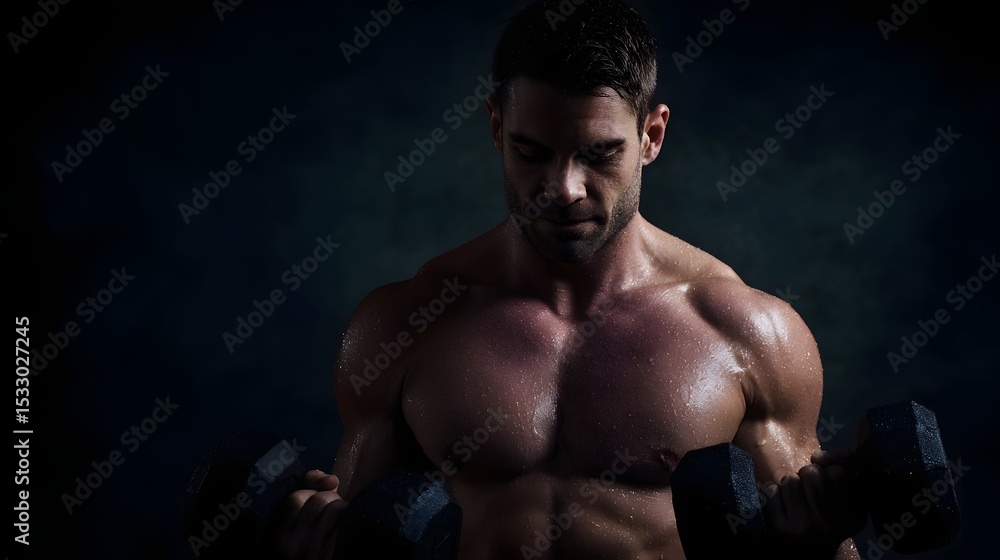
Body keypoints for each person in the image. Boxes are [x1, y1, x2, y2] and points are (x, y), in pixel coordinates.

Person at [275, 1, 866, 557]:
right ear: (494, 126)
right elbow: (362, 537)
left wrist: (813, 546)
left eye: (600, 154)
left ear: (651, 137)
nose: (563, 189)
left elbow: (828, 547)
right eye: (531, 152)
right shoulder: (403, 324)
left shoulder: (747, 332)